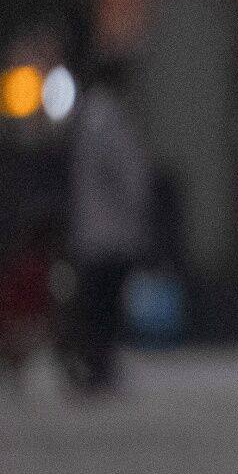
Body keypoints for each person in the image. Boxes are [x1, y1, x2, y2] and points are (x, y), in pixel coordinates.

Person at [64, 57, 153, 395]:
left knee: (98, 305)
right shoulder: (106, 119)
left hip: (97, 232)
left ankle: (96, 367)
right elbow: (125, 173)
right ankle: (97, 368)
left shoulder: (91, 117)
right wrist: (138, 201)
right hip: (108, 234)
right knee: (103, 306)